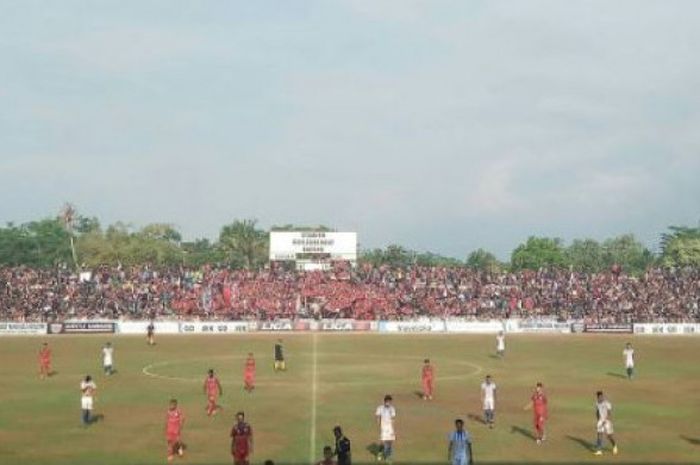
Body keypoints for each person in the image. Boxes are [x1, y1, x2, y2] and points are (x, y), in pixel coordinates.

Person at [594, 391, 618, 456]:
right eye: (599, 397)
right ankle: (599, 450)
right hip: (600, 421)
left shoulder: (607, 403)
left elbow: (609, 412)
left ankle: (614, 445)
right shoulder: (597, 403)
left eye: (601, 396)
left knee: (609, 436)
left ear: (602, 396)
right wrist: (598, 420)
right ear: (597, 397)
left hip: (607, 421)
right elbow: (597, 412)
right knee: (599, 435)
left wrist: (605, 420)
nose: (600, 398)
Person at [375, 395, 396, 463]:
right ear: (384, 401)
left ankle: (388, 457)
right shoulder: (380, 408)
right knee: (382, 442)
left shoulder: (392, 409)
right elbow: (378, 417)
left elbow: (393, 419)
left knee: (390, 443)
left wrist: (393, 429)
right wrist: (379, 426)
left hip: (390, 427)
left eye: (390, 402)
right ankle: (380, 453)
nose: (389, 403)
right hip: (383, 427)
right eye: (387, 402)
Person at [165, 399, 185, 463]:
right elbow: (167, 420)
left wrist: (180, 426)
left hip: (176, 429)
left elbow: (183, 418)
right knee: (169, 441)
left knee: (177, 441)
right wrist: (166, 428)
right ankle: (170, 454)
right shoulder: (168, 411)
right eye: (170, 404)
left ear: (175, 405)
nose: (171, 406)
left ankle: (180, 450)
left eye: (172, 405)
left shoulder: (178, 411)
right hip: (169, 429)